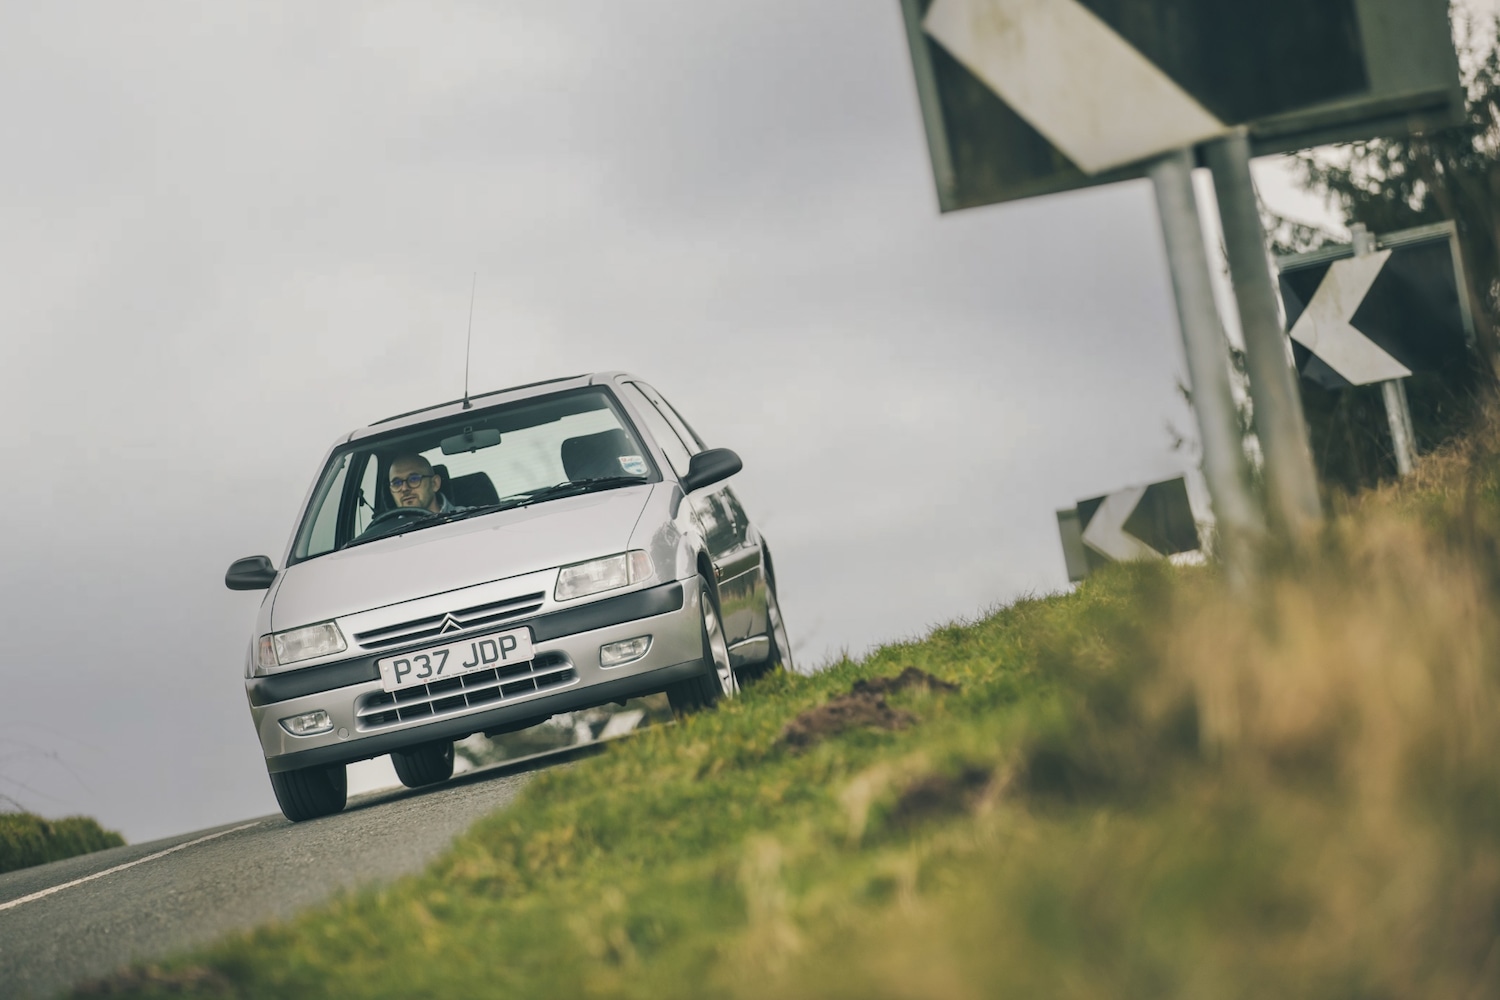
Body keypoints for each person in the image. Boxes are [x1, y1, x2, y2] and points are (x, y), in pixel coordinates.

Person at [387, 454, 465, 514]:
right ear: (391, 491)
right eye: (396, 483)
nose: (404, 488)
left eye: (413, 479)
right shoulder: (386, 532)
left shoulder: (467, 518)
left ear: (434, 483)